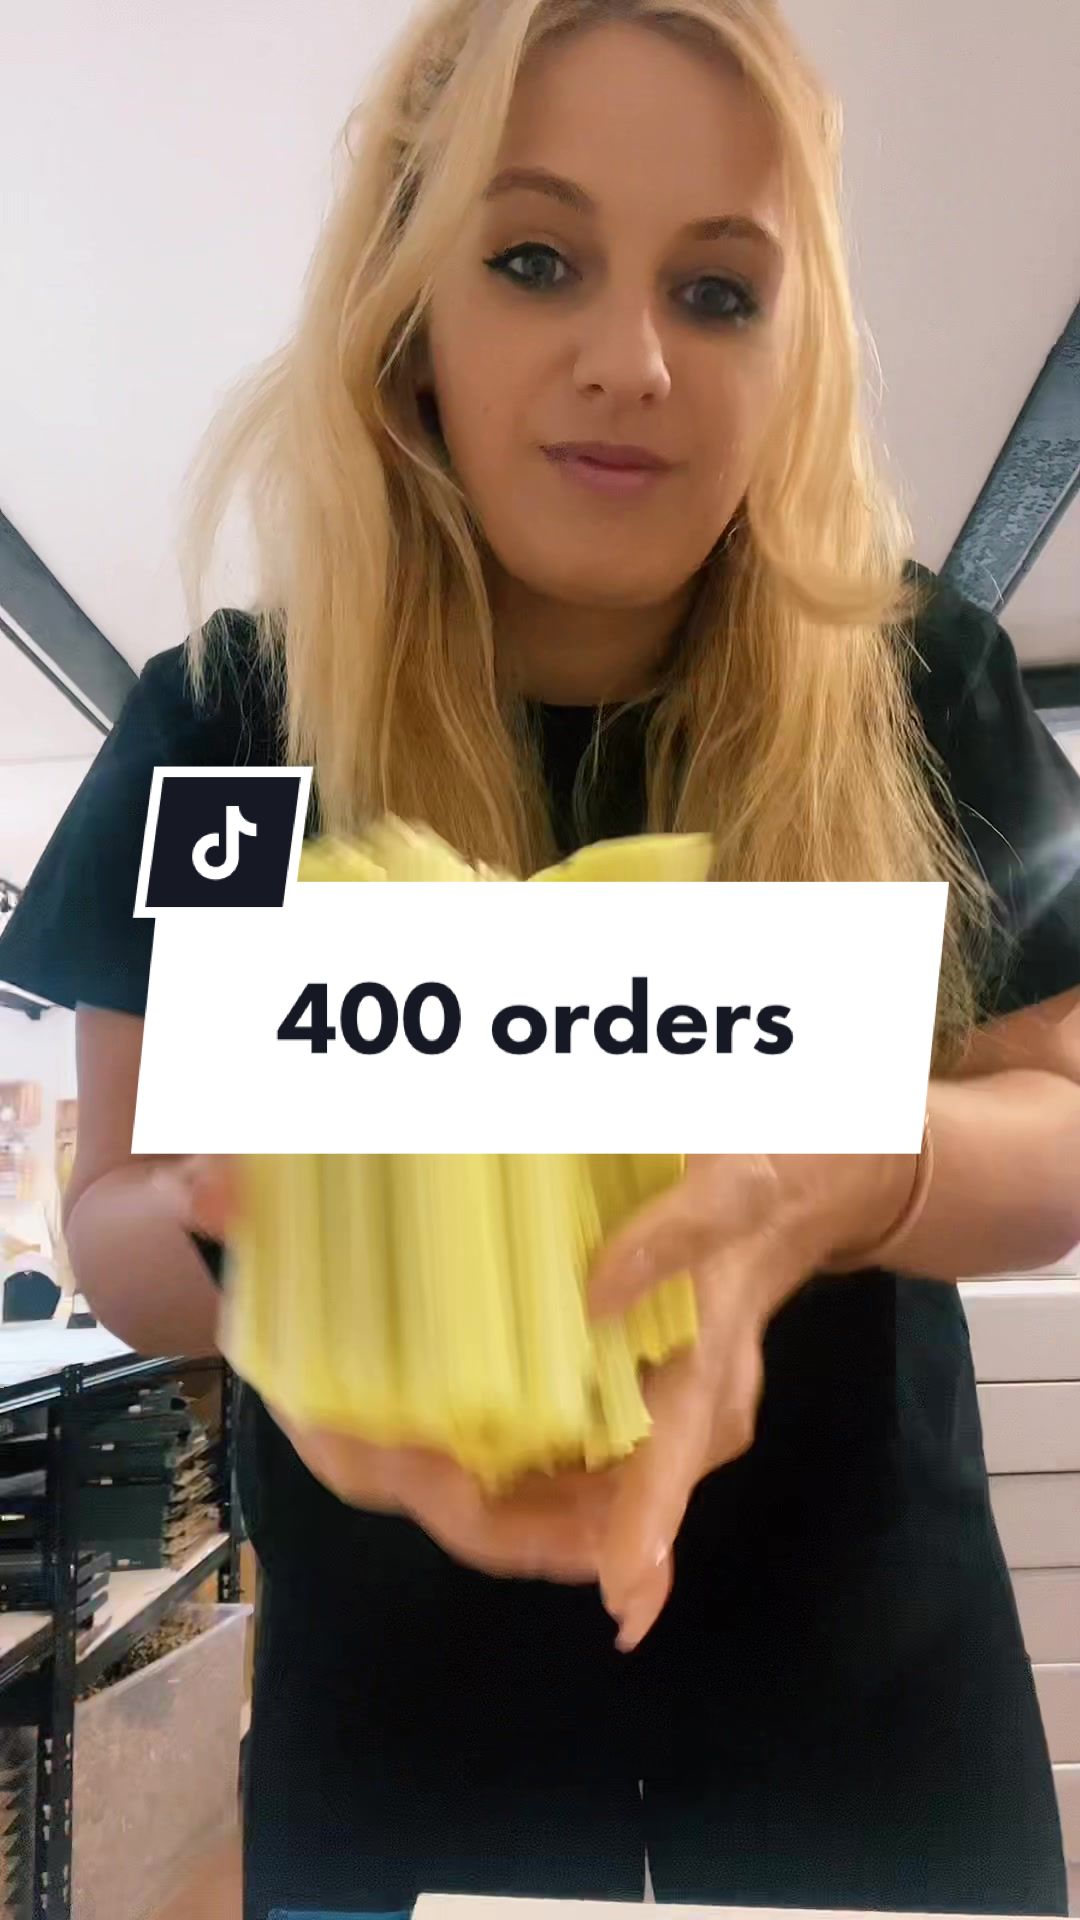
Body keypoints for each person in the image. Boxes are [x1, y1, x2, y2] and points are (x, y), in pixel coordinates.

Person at [3, 2, 1080, 1914]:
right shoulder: (232, 732)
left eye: (719, 291)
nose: (632, 360)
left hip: (868, 1732)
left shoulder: (922, 685)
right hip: (403, 1750)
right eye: (533, 260)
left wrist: (855, 1169)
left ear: (792, 351)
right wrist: (268, 1247)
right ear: (411, 309)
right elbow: (120, 1223)